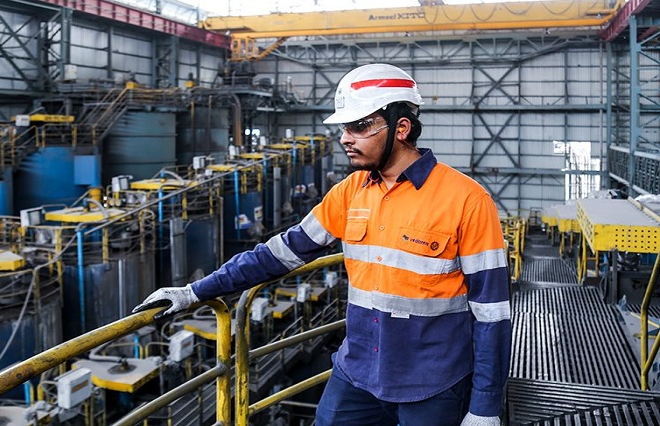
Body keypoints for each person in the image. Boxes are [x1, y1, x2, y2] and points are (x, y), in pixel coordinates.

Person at [133, 63, 512, 426]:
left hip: (434, 382)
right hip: (358, 371)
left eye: (360, 126)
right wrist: (194, 292)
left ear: (401, 128)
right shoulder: (349, 192)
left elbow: (492, 313)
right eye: (345, 128)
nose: (345, 138)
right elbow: (278, 254)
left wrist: (485, 406)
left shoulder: (466, 200)